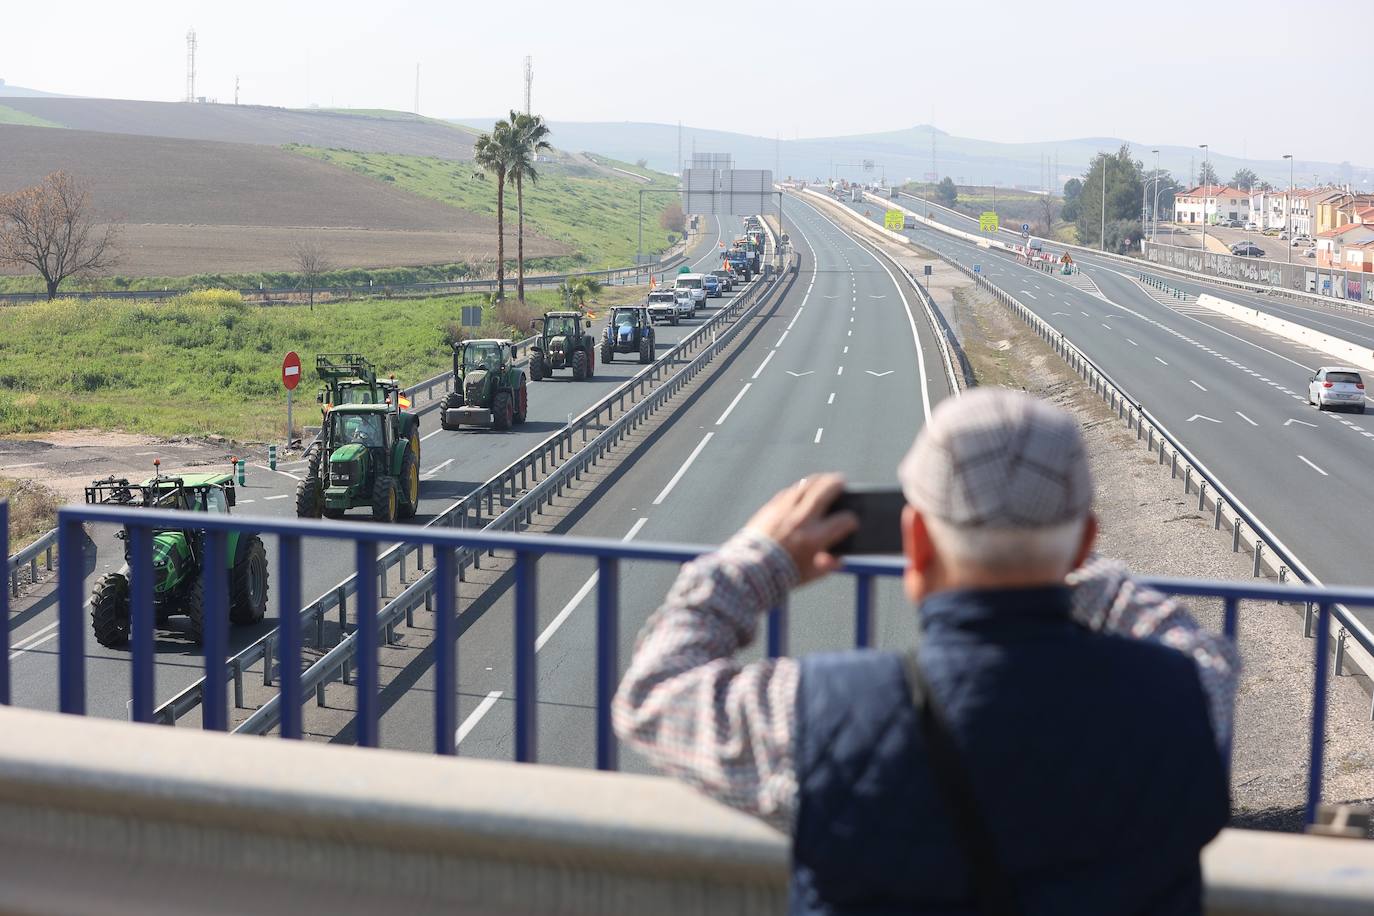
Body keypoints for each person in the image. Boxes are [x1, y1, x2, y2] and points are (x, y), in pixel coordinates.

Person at [614, 388, 1239, 915]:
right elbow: (1183, 638)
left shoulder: (815, 716)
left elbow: (653, 692)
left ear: (915, 541)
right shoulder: (1188, 699)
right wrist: (1051, 557)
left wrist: (762, 560)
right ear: (1085, 546)